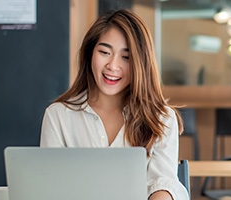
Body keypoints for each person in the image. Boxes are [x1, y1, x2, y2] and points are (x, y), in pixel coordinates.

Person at [40, 9, 189, 200]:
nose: (112, 65)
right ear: (90, 53)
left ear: (140, 64)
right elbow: (50, 186)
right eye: (104, 52)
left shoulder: (160, 118)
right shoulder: (58, 115)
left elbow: (161, 183)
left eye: (126, 57)